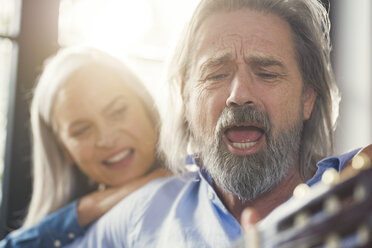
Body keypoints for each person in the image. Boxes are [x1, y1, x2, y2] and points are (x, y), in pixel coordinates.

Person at [66, 0, 371, 247]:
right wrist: (84, 210)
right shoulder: (144, 213)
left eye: (266, 73)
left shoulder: (356, 193)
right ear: (186, 96)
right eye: (215, 74)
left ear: (307, 98)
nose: (239, 95)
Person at [0, 46, 168, 247]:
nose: (106, 139)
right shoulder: (74, 236)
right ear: (64, 151)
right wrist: (84, 210)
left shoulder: (204, 187)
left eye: (117, 111)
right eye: (81, 131)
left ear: (147, 107)